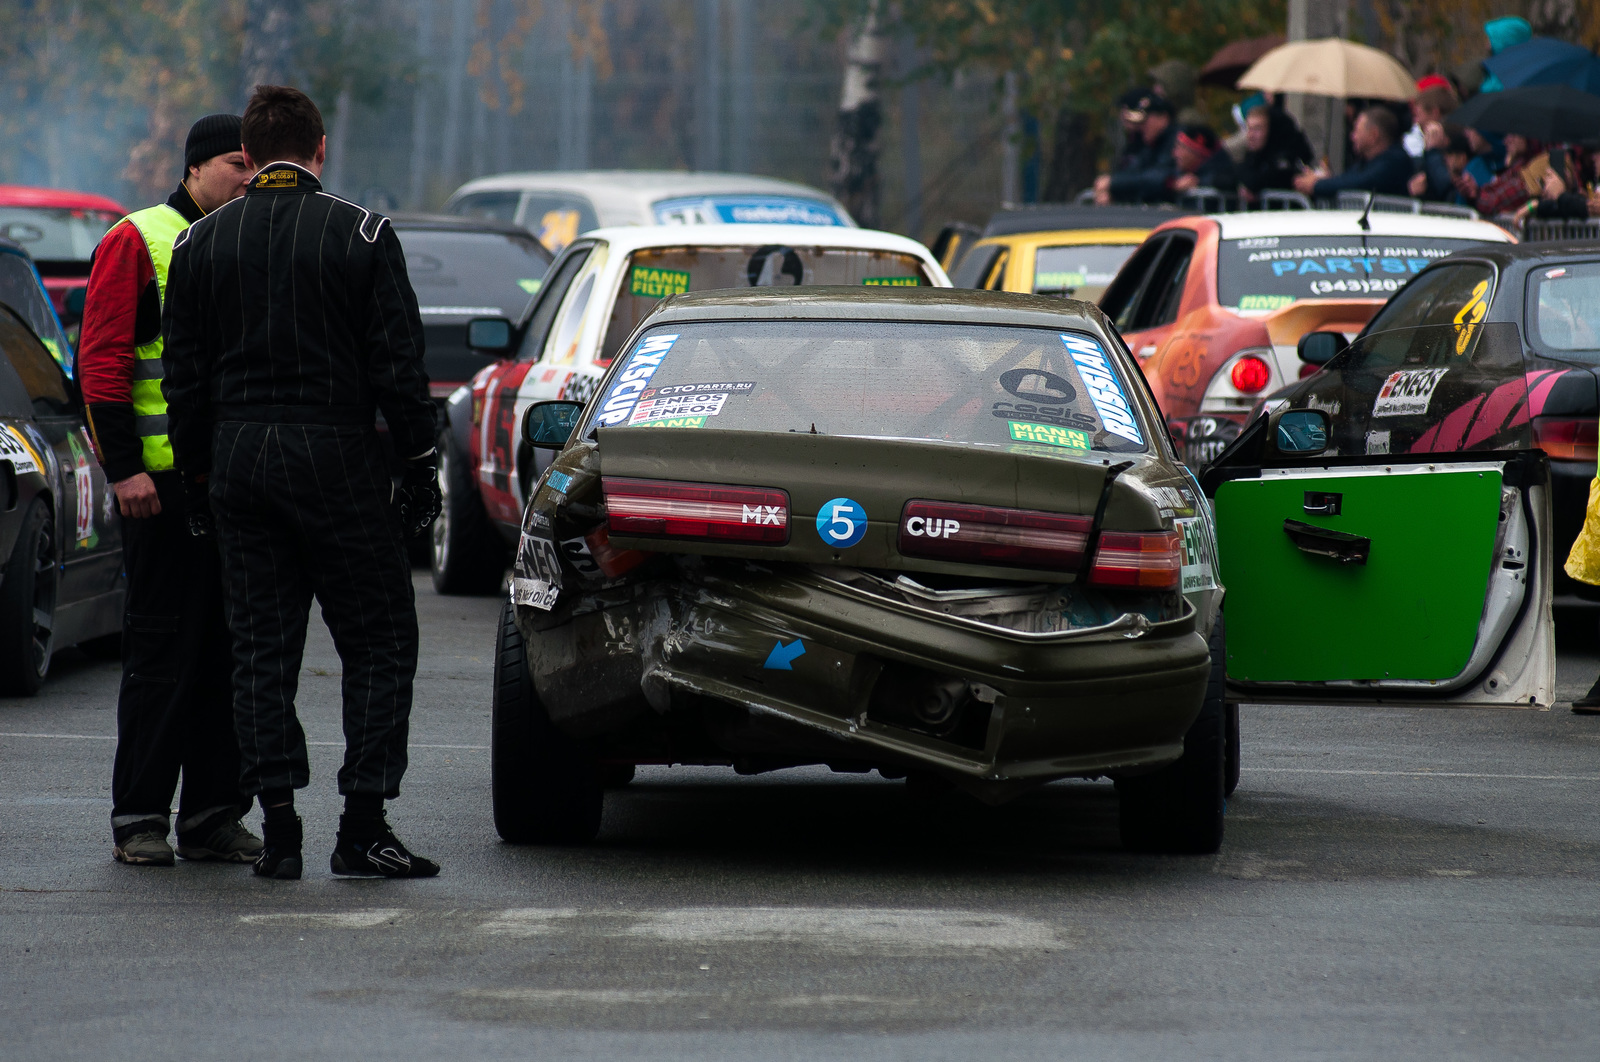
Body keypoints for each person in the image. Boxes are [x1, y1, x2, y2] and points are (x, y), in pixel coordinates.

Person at [162, 85, 442, 880]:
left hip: (239, 460)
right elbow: (399, 369)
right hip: (338, 458)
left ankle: (279, 831)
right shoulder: (360, 232)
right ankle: (362, 824)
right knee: (381, 639)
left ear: (249, 155)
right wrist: (420, 469)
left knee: (260, 648)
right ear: (321, 148)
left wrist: (196, 478)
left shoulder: (198, 246)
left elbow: (183, 380)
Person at [79, 115, 259, 867]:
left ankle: (215, 814)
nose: (247, 179)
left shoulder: (249, 240)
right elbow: (104, 362)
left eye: (255, 166)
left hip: (232, 492)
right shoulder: (141, 239)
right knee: (162, 655)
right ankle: (142, 817)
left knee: (229, 656)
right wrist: (125, 471)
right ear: (194, 169)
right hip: (159, 491)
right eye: (234, 164)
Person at [1293, 106, 1412, 200]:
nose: (1352, 137)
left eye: (1357, 131)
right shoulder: (1367, 162)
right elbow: (1349, 179)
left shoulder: (1394, 161)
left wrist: (1316, 185)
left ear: (1373, 135)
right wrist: (1324, 180)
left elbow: (1360, 183)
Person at [1094, 94, 1177, 205]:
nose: (1141, 126)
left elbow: (1156, 178)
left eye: (1145, 121)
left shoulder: (1176, 141)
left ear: (1163, 118)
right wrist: (1115, 193)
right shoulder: (1150, 146)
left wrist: (1113, 183)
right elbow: (1134, 172)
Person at [1236, 99, 1315, 203]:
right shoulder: (1251, 157)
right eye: (1249, 128)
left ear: (1270, 130)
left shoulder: (1285, 158)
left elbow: (1258, 180)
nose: (1251, 135)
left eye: (1257, 129)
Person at [1456, 133, 1545, 217]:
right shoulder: (1520, 163)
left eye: (1513, 134)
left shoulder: (1541, 164)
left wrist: (1477, 194)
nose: (1506, 140)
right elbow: (1495, 188)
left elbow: (1496, 202)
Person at [1169, 125, 1237, 199]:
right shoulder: (1176, 170)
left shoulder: (1223, 173)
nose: (1175, 153)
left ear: (1197, 152)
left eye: (1181, 147)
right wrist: (1172, 183)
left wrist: (1198, 182)